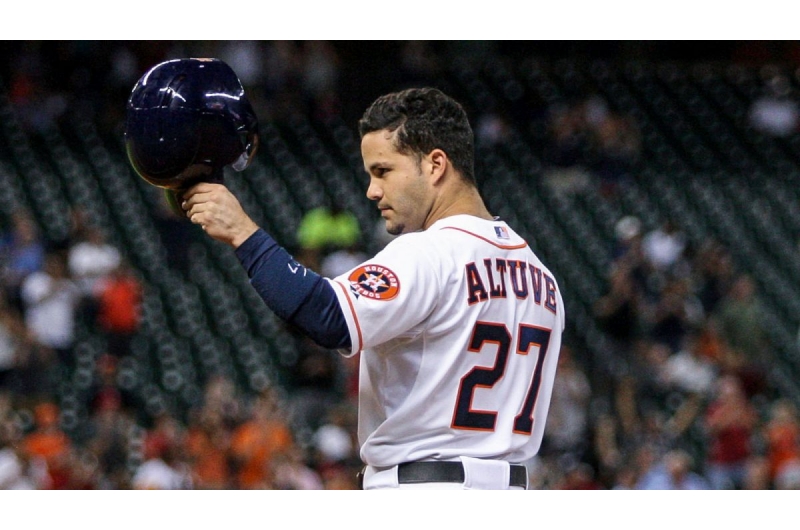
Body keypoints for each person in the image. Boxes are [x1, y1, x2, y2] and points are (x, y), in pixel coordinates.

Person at [126, 60, 566, 490]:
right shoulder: (541, 276)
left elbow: (328, 317)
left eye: (384, 171)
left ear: (435, 165)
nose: (373, 190)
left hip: (423, 491)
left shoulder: (429, 253)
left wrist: (244, 233)